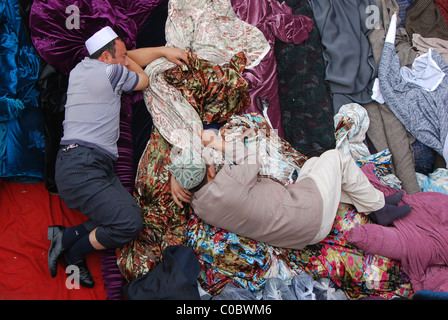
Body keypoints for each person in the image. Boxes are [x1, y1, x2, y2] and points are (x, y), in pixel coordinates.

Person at [47, 26, 188, 288]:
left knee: (127, 210)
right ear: (105, 57)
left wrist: (138, 53)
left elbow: (129, 58)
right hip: (82, 168)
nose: (127, 60)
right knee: (129, 224)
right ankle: (74, 252)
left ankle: (65, 236)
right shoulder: (111, 72)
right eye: (122, 56)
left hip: (84, 164)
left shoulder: (81, 68)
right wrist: (160, 52)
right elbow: (143, 79)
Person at [170, 129, 412, 250]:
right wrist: (215, 142)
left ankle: (364, 202)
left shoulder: (199, 205)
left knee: (313, 164)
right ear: (211, 172)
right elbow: (253, 159)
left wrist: (176, 177)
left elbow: (182, 164)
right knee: (335, 157)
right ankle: (380, 208)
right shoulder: (230, 180)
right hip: (310, 216)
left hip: (299, 236)